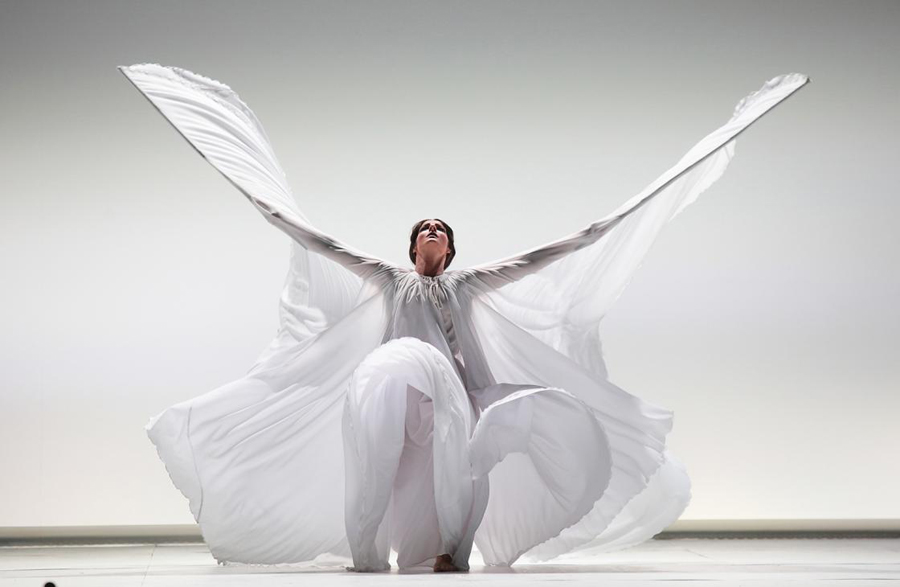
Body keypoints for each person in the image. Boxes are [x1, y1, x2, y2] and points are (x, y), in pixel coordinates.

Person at [120, 64, 809, 572]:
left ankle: (451, 552)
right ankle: (369, 549)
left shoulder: (471, 282)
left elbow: (542, 257)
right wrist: (264, 199)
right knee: (389, 461)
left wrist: (601, 229)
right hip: (394, 390)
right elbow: (315, 240)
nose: (431, 234)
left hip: (460, 392)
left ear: (450, 247)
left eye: (440, 230)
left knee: (466, 468)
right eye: (423, 228)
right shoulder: (386, 279)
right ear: (410, 244)